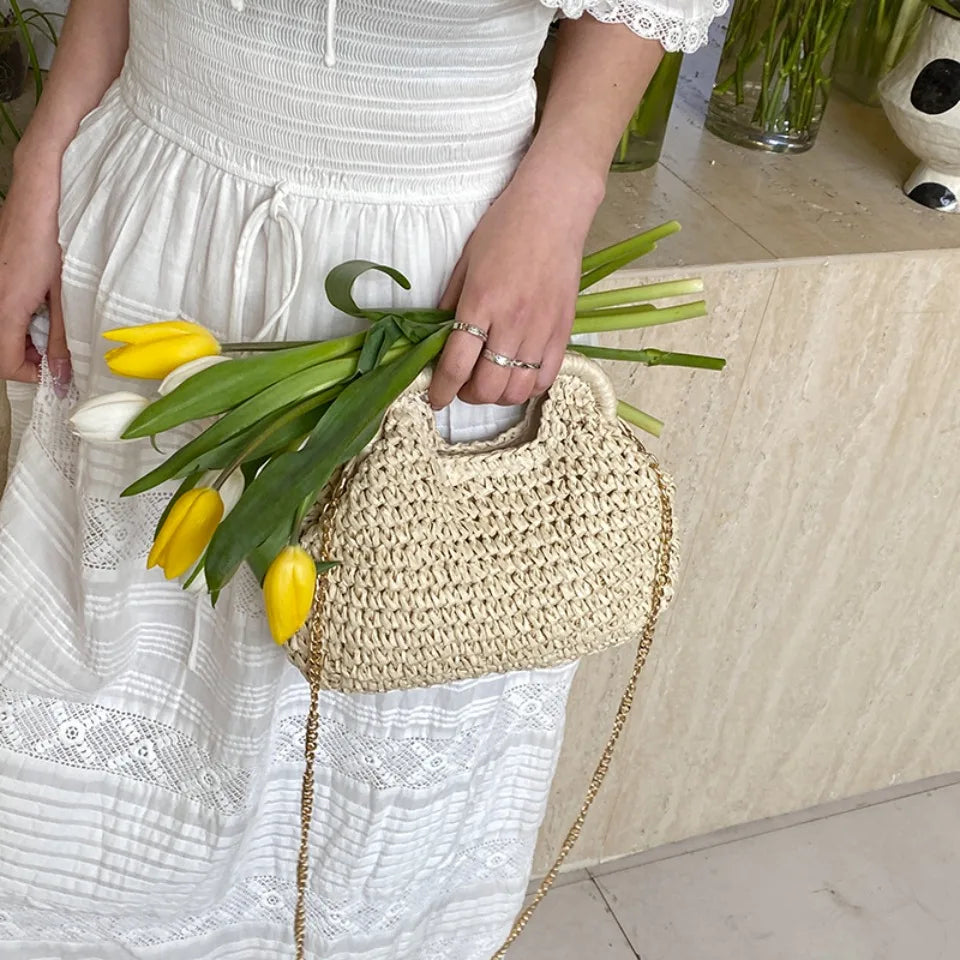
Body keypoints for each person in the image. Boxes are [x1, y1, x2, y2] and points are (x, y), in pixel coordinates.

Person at [0, 1, 724, 956]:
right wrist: (41, 168)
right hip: (155, 210)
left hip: (430, 267)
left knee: (368, 712)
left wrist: (563, 189)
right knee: (93, 709)